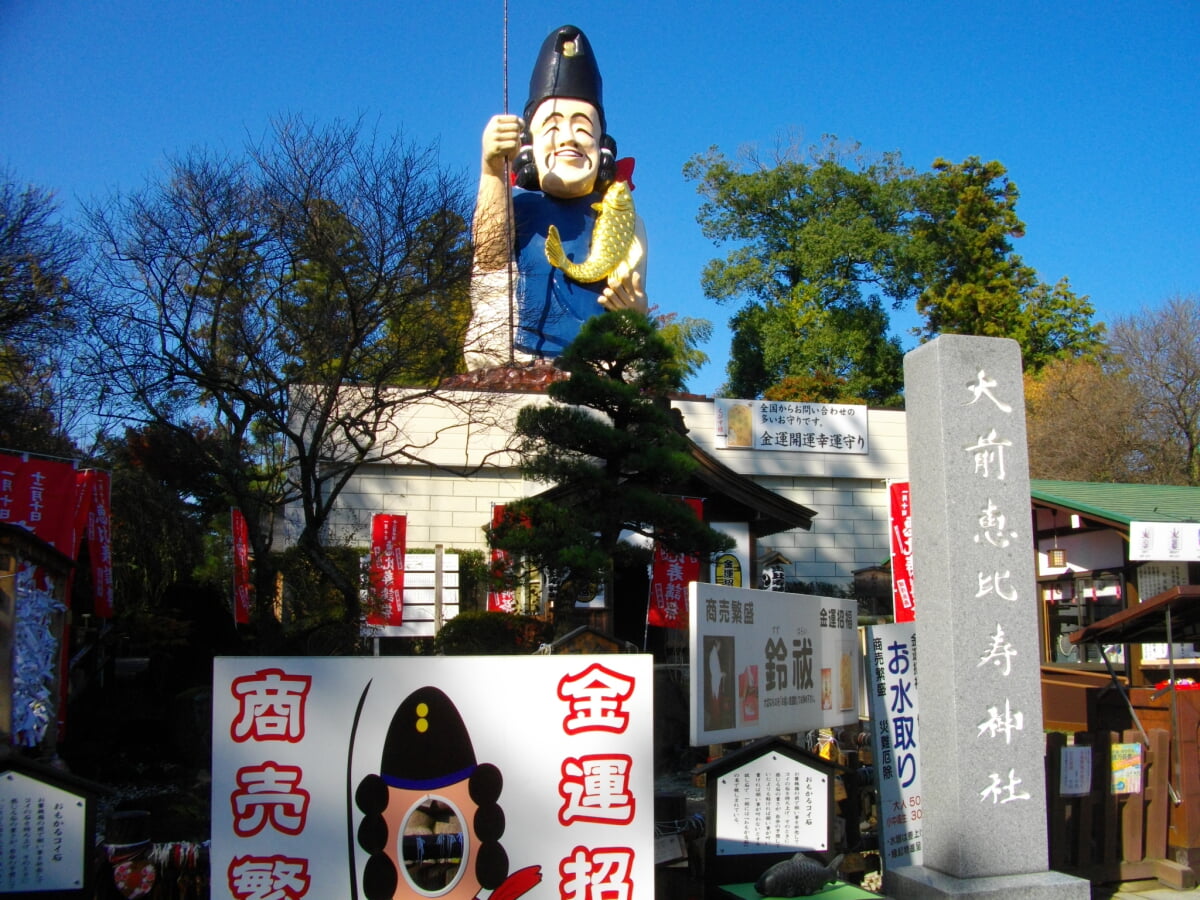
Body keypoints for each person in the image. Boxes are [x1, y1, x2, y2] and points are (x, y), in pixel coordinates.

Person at [464, 25, 648, 370]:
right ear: (528, 144)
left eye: (582, 129)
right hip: (521, 358)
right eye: (552, 127)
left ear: (602, 147)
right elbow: (489, 260)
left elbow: (630, 285)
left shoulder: (622, 218)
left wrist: (634, 314)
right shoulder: (517, 208)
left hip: (595, 365)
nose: (569, 139)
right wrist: (491, 172)